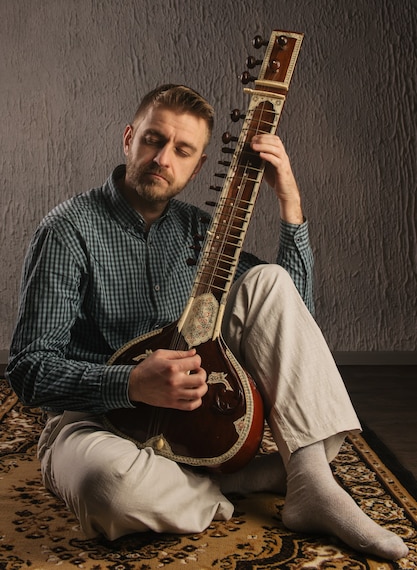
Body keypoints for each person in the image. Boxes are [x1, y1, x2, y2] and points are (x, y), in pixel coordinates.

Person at [7, 84, 408, 560]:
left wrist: (290, 205)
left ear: (198, 167)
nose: (162, 159)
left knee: (269, 280)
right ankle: (238, 481)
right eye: (153, 140)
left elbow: (293, 320)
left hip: (195, 422)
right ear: (129, 139)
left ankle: (313, 488)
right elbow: (30, 370)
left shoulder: (201, 232)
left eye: (182, 150)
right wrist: (131, 382)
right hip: (96, 422)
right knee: (108, 489)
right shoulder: (68, 230)